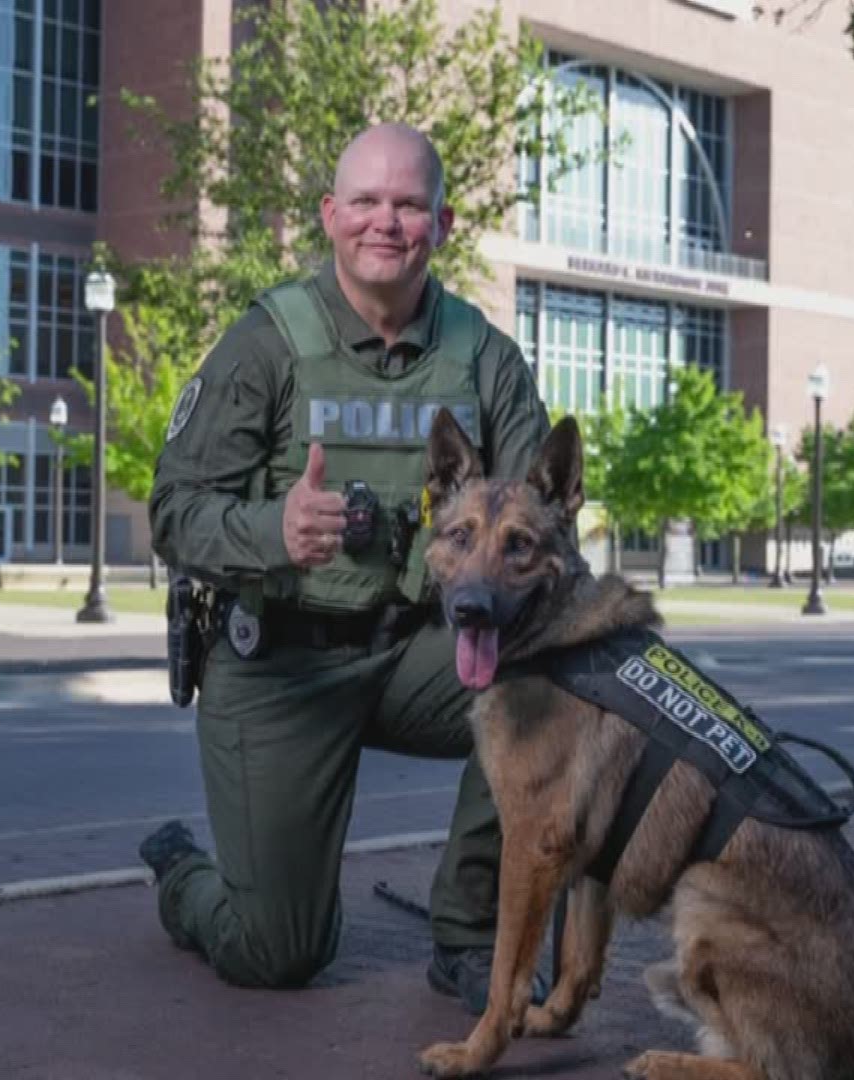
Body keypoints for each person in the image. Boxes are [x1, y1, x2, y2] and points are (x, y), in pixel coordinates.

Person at [139, 123, 552, 1014]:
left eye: (408, 205)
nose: (386, 223)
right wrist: (271, 529)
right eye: (365, 201)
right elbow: (172, 512)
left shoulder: (483, 358)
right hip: (278, 661)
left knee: (546, 675)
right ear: (330, 215)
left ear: (441, 222)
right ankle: (184, 877)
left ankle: (472, 931)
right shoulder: (267, 342)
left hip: (410, 653)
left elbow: (540, 520)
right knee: (278, 952)